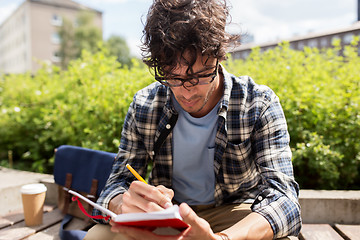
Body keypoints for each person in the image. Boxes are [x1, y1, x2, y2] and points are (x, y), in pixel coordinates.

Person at [85, 0, 302, 239]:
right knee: (98, 237)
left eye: (199, 76)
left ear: (219, 57)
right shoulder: (145, 104)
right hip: (168, 214)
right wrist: (124, 203)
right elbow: (116, 184)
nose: (186, 92)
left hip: (234, 215)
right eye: (173, 78)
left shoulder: (258, 103)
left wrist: (224, 239)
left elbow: (284, 197)